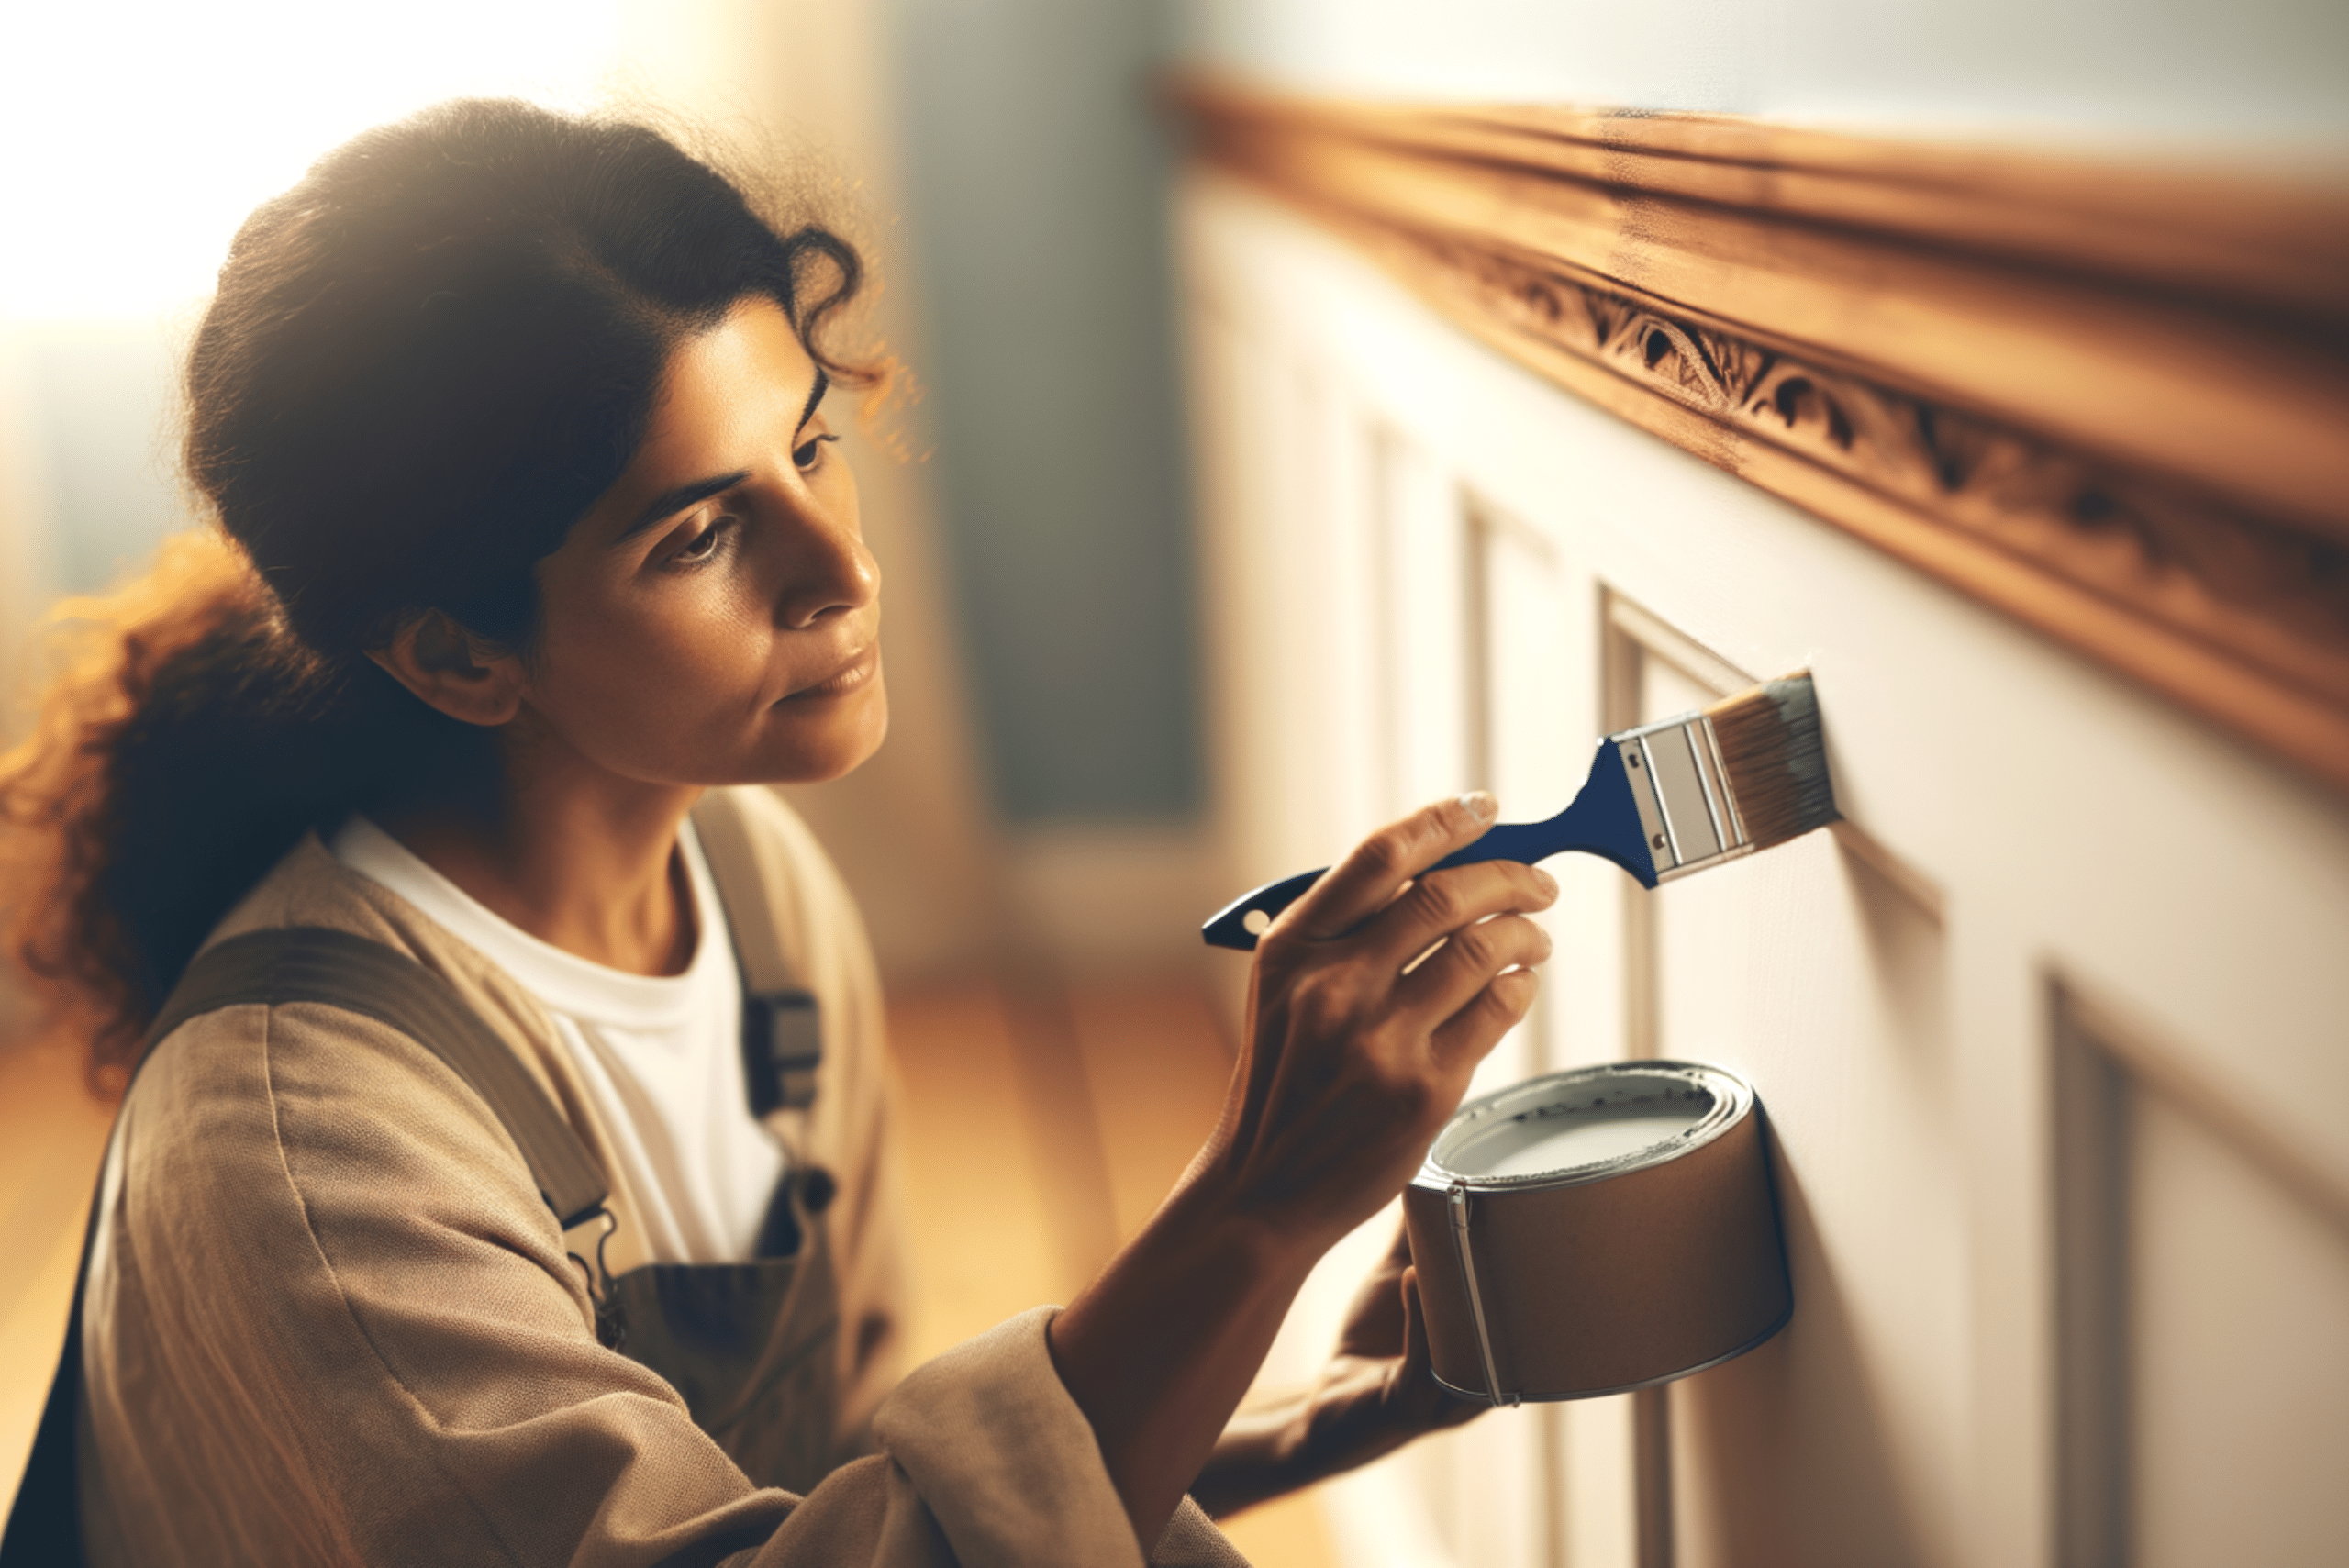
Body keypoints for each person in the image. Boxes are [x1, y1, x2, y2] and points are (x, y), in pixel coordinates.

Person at [0, 99, 1557, 1566]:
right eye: (699, 533)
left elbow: (840, 1500)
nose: (841, 571)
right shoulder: (307, 1164)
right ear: (459, 653)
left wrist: (1297, 1418)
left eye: (808, 448)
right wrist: (1256, 1201)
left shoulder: (752, 889)